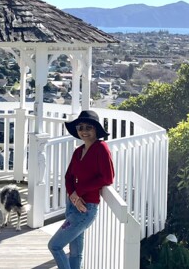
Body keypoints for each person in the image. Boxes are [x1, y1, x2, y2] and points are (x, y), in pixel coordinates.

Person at [48, 110, 115, 269]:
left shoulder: (101, 148)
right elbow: (68, 177)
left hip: (86, 208)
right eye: (80, 127)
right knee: (75, 252)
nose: (84, 131)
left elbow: (108, 178)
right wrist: (73, 196)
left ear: (96, 130)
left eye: (88, 127)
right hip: (73, 205)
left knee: (55, 246)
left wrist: (79, 193)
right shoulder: (78, 151)